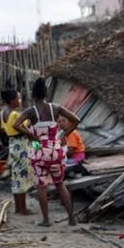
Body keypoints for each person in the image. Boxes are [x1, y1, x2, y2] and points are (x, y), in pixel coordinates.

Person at [12, 78, 80, 226]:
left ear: (33, 95)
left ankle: (46, 220)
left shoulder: (31, 111)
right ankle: (71, 218)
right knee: (60, 184)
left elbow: (16, 125)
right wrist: (64, 134)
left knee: (41, 186)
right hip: (55, 149)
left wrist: (31, 136)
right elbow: (76, 120)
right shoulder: (55, 108)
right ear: (46, 93)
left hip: (38, 148)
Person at [0, 89, 32, 215]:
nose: (20, 100)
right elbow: (21, 127)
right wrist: (30, 131)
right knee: (22, 177)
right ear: (12, 100)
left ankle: (18, 208)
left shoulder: (3, 112)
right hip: (20, 144)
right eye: (18, 98)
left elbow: (4, 129)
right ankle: (22, 208)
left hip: (12, 143)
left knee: (16, 177)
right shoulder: (15, 114)